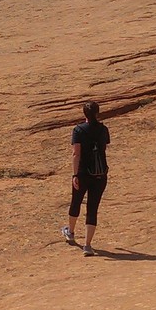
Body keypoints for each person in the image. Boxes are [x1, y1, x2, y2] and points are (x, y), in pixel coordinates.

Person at [62, 101, 110, 256]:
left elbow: (76, 153)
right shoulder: (103, 129)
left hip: (82, 173)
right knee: (92, 208)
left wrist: (75, 174)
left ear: (84, 114)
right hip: (100, 174)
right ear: (97, 113)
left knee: (76, 201)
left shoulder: (78, 130)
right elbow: (103, 148)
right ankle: (87, 246)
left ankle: (71, 232)